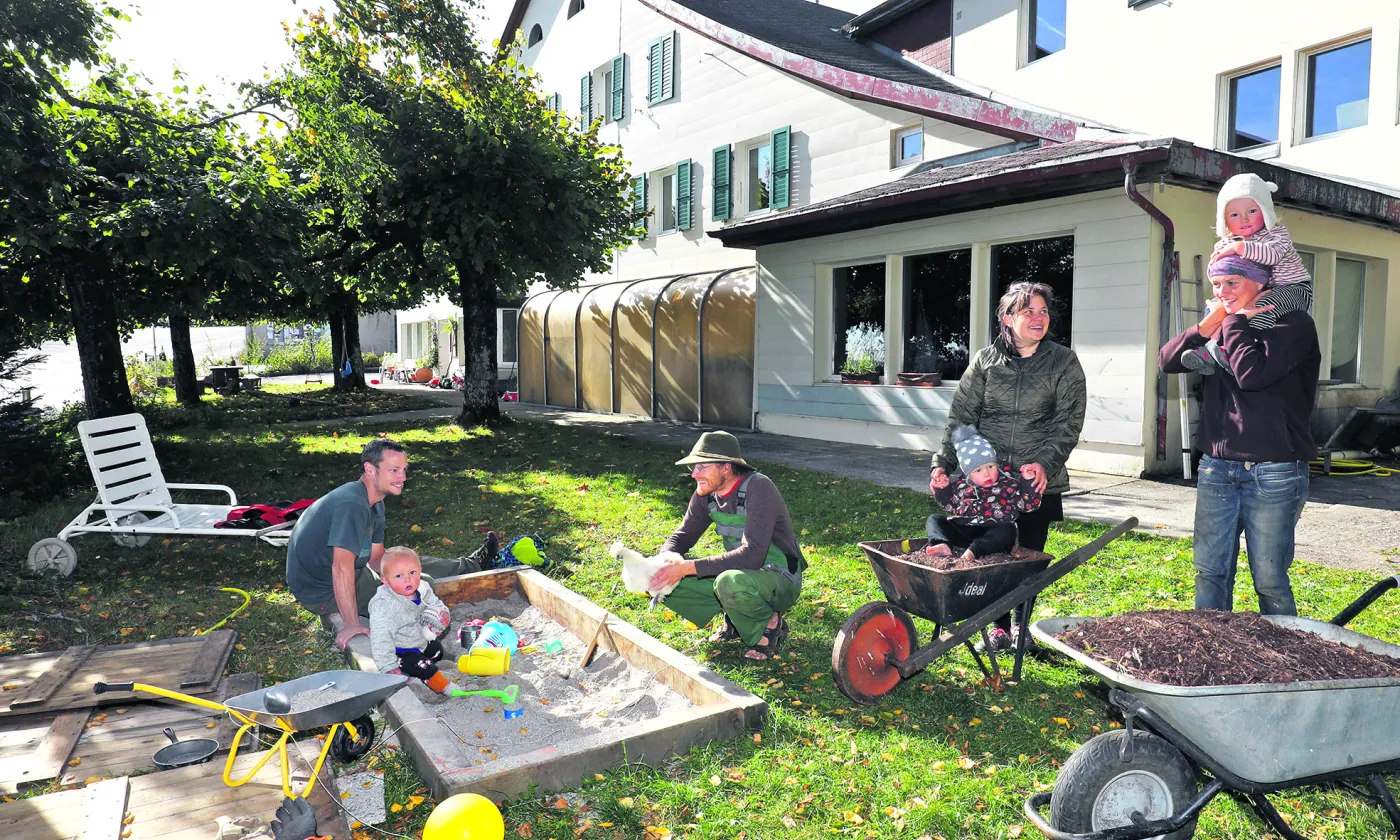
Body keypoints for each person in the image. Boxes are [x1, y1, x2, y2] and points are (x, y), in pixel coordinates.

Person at [1160, 254, 1320, 615]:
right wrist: (1203, 329)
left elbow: (1251, 375)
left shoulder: (1293, 325)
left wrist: (1232, 323)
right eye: (1216, 284)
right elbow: (1168, 360)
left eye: (1232, 283)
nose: (1222, 291)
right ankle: (1213, 653)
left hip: (1274, 470)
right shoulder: (1221, 324)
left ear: (1260, 283)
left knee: (1269, 578)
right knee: (1210, 572)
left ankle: (1284, 660)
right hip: (1217, 468)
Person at [931, 282, 1086, 652]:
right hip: (988, 479)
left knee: (1028, 556)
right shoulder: (986, 361)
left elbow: (1069, 422)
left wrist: (1046, 463)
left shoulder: (1064, 361)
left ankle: (1021, 627)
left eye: (1043, 311)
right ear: (1007, 318)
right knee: (992, 553)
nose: (1038, 318)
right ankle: (997, 627)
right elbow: (962, 418)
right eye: (1027, 311)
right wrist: (943, 464)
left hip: (1035, 482)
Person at [285, 438, 496, 650]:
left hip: (350, 572)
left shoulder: (375, 502)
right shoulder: (352, 505)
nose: (402, 477)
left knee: (407, 566)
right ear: (370, 469)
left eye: (404, 470)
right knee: (423, 587)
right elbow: (340, 567)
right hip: (322, 591)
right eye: (394, 470)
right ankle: (423, 648)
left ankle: (472, 566)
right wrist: (351, 624)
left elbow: (377, 558)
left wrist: (404, 571)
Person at [648, 431, 807, 661]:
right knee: (657, 579)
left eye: (701, 467)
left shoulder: (759, 488)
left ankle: (770, 625)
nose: (694, 474)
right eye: (693, 468)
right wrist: (663, 560)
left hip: (781, 577)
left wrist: (685, 568)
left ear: (725, 466)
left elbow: (752, 556)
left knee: (729, 582)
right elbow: (682, 536)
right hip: (743, 573)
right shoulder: (707, 493)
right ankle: (736, 618)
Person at [1181, 173, 1313, 376]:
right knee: (1217, 310)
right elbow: (1215, 268)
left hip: (1293, 288)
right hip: (1264, 289)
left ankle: (1239, 349)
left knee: (1260, 310)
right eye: (1234, 215)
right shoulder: (1226, 242)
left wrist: (1240, 247)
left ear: (1266, 211)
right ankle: (1210, 350)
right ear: (1224, 220)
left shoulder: (1277, 234)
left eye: (1252, 211)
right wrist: (1220, 273)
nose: (1243, 219)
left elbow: (1272, 255)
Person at [928, 425, 1043, 562]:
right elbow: (948, 505)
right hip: (964, 529)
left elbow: (1028, 505)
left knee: (1007, 529)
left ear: (997, 465)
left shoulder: (1007, 485)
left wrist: (1028, 482)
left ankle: (974, 551)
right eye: (978, 470)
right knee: (934, 519)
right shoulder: (961, 487)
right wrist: (943, 489)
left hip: (991, 532)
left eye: (990, 466)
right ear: (968, 474)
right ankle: (942, 544)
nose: (986, 473)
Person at [368, 546, 461, 694]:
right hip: (399, 650)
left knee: (437, 650)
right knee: (422, 666)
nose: (407, 579)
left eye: (412, 572)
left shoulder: (422, 588)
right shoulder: (385, 606)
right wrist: (388, 666)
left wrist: (442, 614)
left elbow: (435, 603)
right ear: (385, 581)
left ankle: (420, 669)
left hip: (419, 639)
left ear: (420, 570)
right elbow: (381, 638)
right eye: (398, 576)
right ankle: (445, 687)